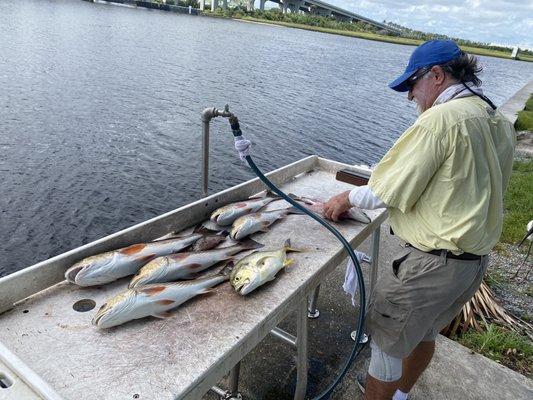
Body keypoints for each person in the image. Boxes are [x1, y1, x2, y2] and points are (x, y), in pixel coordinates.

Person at [323, 39, 515, 400]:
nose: (411, 96)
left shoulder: (440, 120)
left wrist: (343, 199)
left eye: (412, 84)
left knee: (385, 349)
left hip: (431, 266)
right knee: (424, 334)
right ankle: (401, 396)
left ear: (437, 75)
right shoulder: (495, 119)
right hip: (469, 266)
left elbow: (384, 190)